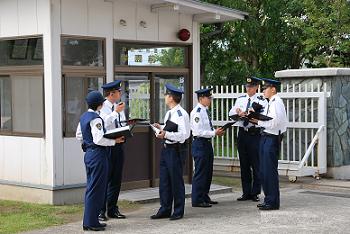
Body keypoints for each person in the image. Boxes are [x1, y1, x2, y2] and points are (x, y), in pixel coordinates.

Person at [76, 90, 123, 231]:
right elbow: (99, 139)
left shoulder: (84, 116)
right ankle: (92, 222)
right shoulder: (96, 118)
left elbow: (79, 135)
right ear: (100, 105)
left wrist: (88, 142)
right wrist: (114, 141)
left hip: (89, 154)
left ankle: (88, 220)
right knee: (97, 189)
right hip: (98, 155)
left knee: (91, 188)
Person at [150, 83, 190, 221]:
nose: (165, 97)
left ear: (171, 97)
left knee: (176, 181)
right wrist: (160, 127)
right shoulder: (169, 113)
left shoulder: (181, 114)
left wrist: (166, 134)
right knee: (165, 181)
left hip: (175, 150)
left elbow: (184, 135)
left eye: (166, 95)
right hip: (166, 149)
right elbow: (170, 129)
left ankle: (178, 210)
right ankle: (165, 208)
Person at [250, 78, 287, 210]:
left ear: (273, 89)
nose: (263, 91)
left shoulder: (276, 102)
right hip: (266, 137)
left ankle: (272, 201)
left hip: (271, 138)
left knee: (269, 171)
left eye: (266, 88)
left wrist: (257, 122)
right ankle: (268, 199)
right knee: (264, 171)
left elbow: (274, 122)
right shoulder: (271, 102)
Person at [229, 77, 267, 202]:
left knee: (256, 164)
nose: (248, 88)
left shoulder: (261, 100)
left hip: (254, 134)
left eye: (251, 86)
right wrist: (239, 112)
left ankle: (255, 192)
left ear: (256, 87)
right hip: (243, 134)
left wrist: (253, 113)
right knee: (244, 164)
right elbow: (231, 113)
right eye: (247, 86)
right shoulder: (240, 99)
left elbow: (264, 115)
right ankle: (246, 192)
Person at [190, 88, 225, 208]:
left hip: (206, 143)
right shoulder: (197, 112)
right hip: (200, 143)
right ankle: (197, 199)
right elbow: (198, 131)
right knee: (200, 172)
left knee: (208, 172)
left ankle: (204, 196)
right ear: (201, 99)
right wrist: (214, 133)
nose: (210, 100)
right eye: (208, 98)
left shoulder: (205, 110)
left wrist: (214, 132)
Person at [99, 80, 127, 221]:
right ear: (111, 94)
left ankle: (112, 208)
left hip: (119, 145)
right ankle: (100, 210)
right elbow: (103, 124)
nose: (120, 94)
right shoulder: (102, 107)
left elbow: (121, 123)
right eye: (118, 91)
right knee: (105, 179)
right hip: (107, 146)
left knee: (116, 179)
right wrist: (115, 113)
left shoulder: (118, 107)